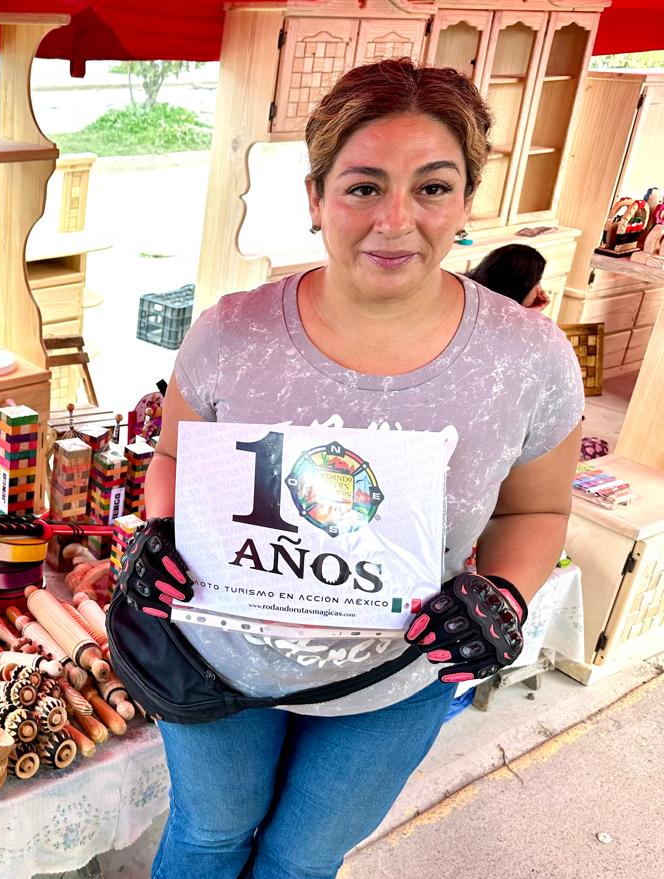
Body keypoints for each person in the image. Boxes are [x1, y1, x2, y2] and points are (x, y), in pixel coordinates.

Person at [122, 59, 583, 879]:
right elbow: (171, 458)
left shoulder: (529, 359)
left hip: (393, 683)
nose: (396, 219)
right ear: (316, 198)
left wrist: (504, 593)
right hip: (218, 662)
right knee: (210, 833)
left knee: (303, 859)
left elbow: (534, 514)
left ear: (466, 198)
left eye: (433, 187)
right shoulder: (233, 333)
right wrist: (158, 532)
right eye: (364, 186)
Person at [466, 243, 549, 309]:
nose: (540, 290)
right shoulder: (498, 318)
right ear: (518, 286)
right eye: (537, 281)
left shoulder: (469, 293)